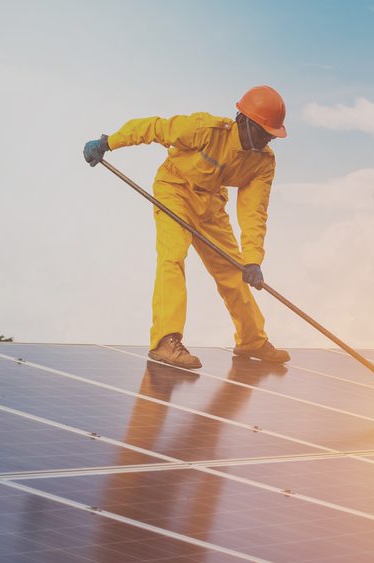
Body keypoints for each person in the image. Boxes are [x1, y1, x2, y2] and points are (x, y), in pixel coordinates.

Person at [83, 86, 291, 369]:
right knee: (173, 259)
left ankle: (252, 340)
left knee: (234, 271)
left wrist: (253, 260)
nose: (267, 138)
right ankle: (165, 341)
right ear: (244, 121)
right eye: (263, 131)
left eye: (271, 134)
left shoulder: (263, 162)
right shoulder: (205, 128)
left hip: (211, 205)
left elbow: (254, 212)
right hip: (175, 192)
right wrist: (109, 142)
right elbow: (154, 128)